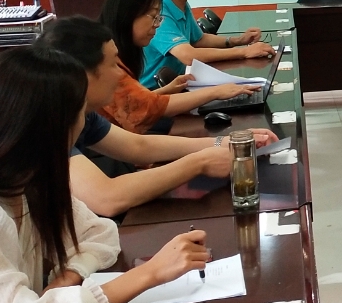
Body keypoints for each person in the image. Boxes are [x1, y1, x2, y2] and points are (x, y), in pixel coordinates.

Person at [0, 47, 210, 303]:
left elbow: (101, 233)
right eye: (80, 113)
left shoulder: (30, 183)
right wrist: (149, 273)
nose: (84, 123)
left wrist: (69, 275)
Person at [36, 17, 278, 218]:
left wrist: (224, 142)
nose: (120, 75)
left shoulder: (81, 111)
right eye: (112, 65)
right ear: (82, 75)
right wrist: (199, 162)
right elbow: (107, 198)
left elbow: (138, 146)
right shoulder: (46, 123)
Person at [99, 0, 262, 134]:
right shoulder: (108, 64)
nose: (157, 25)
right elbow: (146, 111)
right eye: (153, 17)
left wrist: (166, 90)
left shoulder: (123, 52)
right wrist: (216, 92)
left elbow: (134, 102)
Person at [141, 0, 276, 86]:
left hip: (178, 83)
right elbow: (188, 56)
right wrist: (244, 52)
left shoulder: (180, 1)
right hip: (154, 91)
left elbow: (199, 39)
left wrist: (237, 40)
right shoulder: (158, 12)